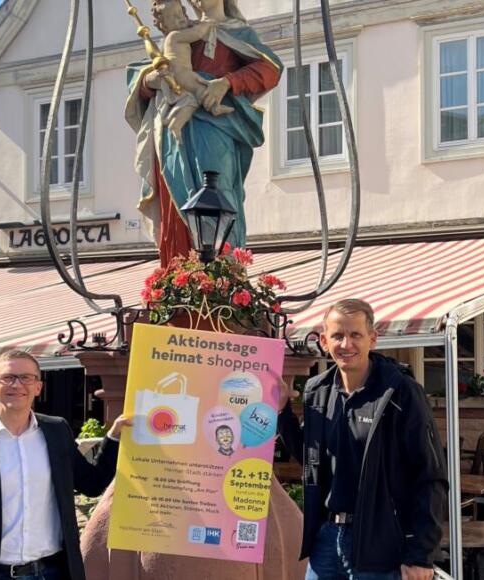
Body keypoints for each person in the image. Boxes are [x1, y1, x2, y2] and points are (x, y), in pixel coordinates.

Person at [0, 350, 131, 580]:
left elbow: (92, 483)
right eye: (7, 377)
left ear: (38, 387)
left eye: (26, 378)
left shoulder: (57, 431)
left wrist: (114, 437)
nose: (17, 384)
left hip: (52, 572)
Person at [277, 299, 448, 580]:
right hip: (326, 542)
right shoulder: (317, 391)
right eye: (337, 335)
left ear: (373, 338)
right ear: (324, 341)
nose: (346, 344)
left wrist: (421, 554)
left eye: (355, 334)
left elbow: (430, 477)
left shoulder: (400, 392)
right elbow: (311, 458)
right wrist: (283, 412)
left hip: (380, 545)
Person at [126, 0, 282, 266]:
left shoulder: (238, 32)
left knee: (218, 196)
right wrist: (152, 80)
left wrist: (228, 82)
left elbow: (270, 69)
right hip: (174, 135)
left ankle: (223, 275)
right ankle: (180, 276)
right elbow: (145, 73)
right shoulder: (183, 29)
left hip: (214, 129)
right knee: (177, 205)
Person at [150, 0, 234, 139]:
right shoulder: (175, 35)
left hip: (183, 75)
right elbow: (198, 33)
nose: (181, 18)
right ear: (165, 26)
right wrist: (207, 24)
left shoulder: (238, 30)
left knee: (194, 95)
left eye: (181, 13)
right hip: (182, 74)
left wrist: (228, 82)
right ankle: (211, 108)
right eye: (174, 17)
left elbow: (266, 68)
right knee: (200, 92)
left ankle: (173, 120)